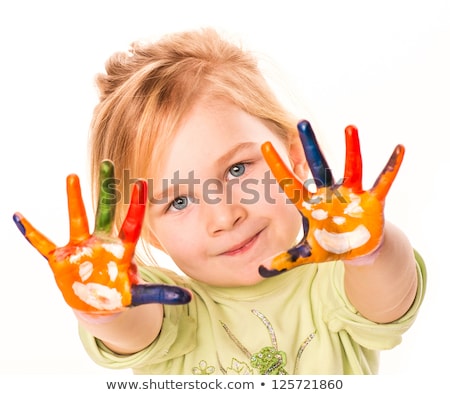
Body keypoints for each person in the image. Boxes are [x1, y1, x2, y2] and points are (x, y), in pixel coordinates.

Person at [13, 28, 426, 375]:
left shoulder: (336, 284)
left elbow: (389, 297)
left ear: (295, 157)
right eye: (177, 202)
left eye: (237, 170)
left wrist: (369, 250)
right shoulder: (171, 309)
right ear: (145, 232)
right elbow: (129, 325)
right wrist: (100, 306)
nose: (225, 216)